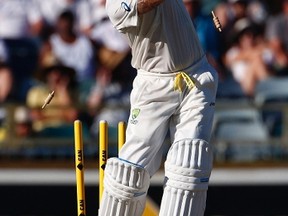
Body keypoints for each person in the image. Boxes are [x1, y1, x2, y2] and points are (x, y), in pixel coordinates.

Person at [98, 0, 218, 215]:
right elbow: (145, 4)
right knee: (128, 175)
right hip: (153, 87)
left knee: (190, 163)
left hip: (196, 76)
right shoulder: (114, 6)